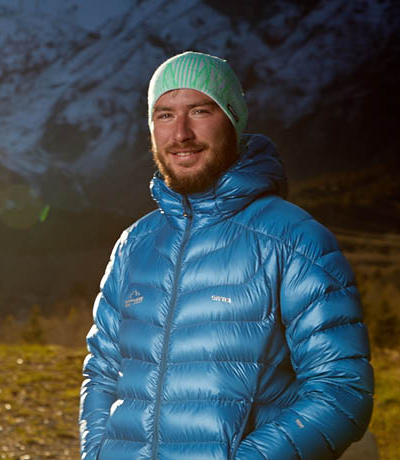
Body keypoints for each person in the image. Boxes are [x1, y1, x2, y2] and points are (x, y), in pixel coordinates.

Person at [78, 51, 374, 460]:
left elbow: (342, 392)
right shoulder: (135, 244)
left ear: (233, 120)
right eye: (164, 115)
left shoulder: (295, 240)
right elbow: (102, 373)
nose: (180, 133)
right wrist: (96, 453)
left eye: (200, 110)